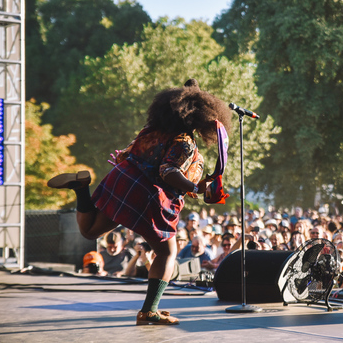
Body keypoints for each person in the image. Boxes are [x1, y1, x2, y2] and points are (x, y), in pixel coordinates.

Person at [47, 79, 232, 326]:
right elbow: (168, 171)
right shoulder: (184, 141)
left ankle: (81, 189)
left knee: (90, 230)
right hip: (147, 193)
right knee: (167, 252)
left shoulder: (151, 129)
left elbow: (133, 153)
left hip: (121, 177)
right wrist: (194, 188)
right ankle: (149, 311)